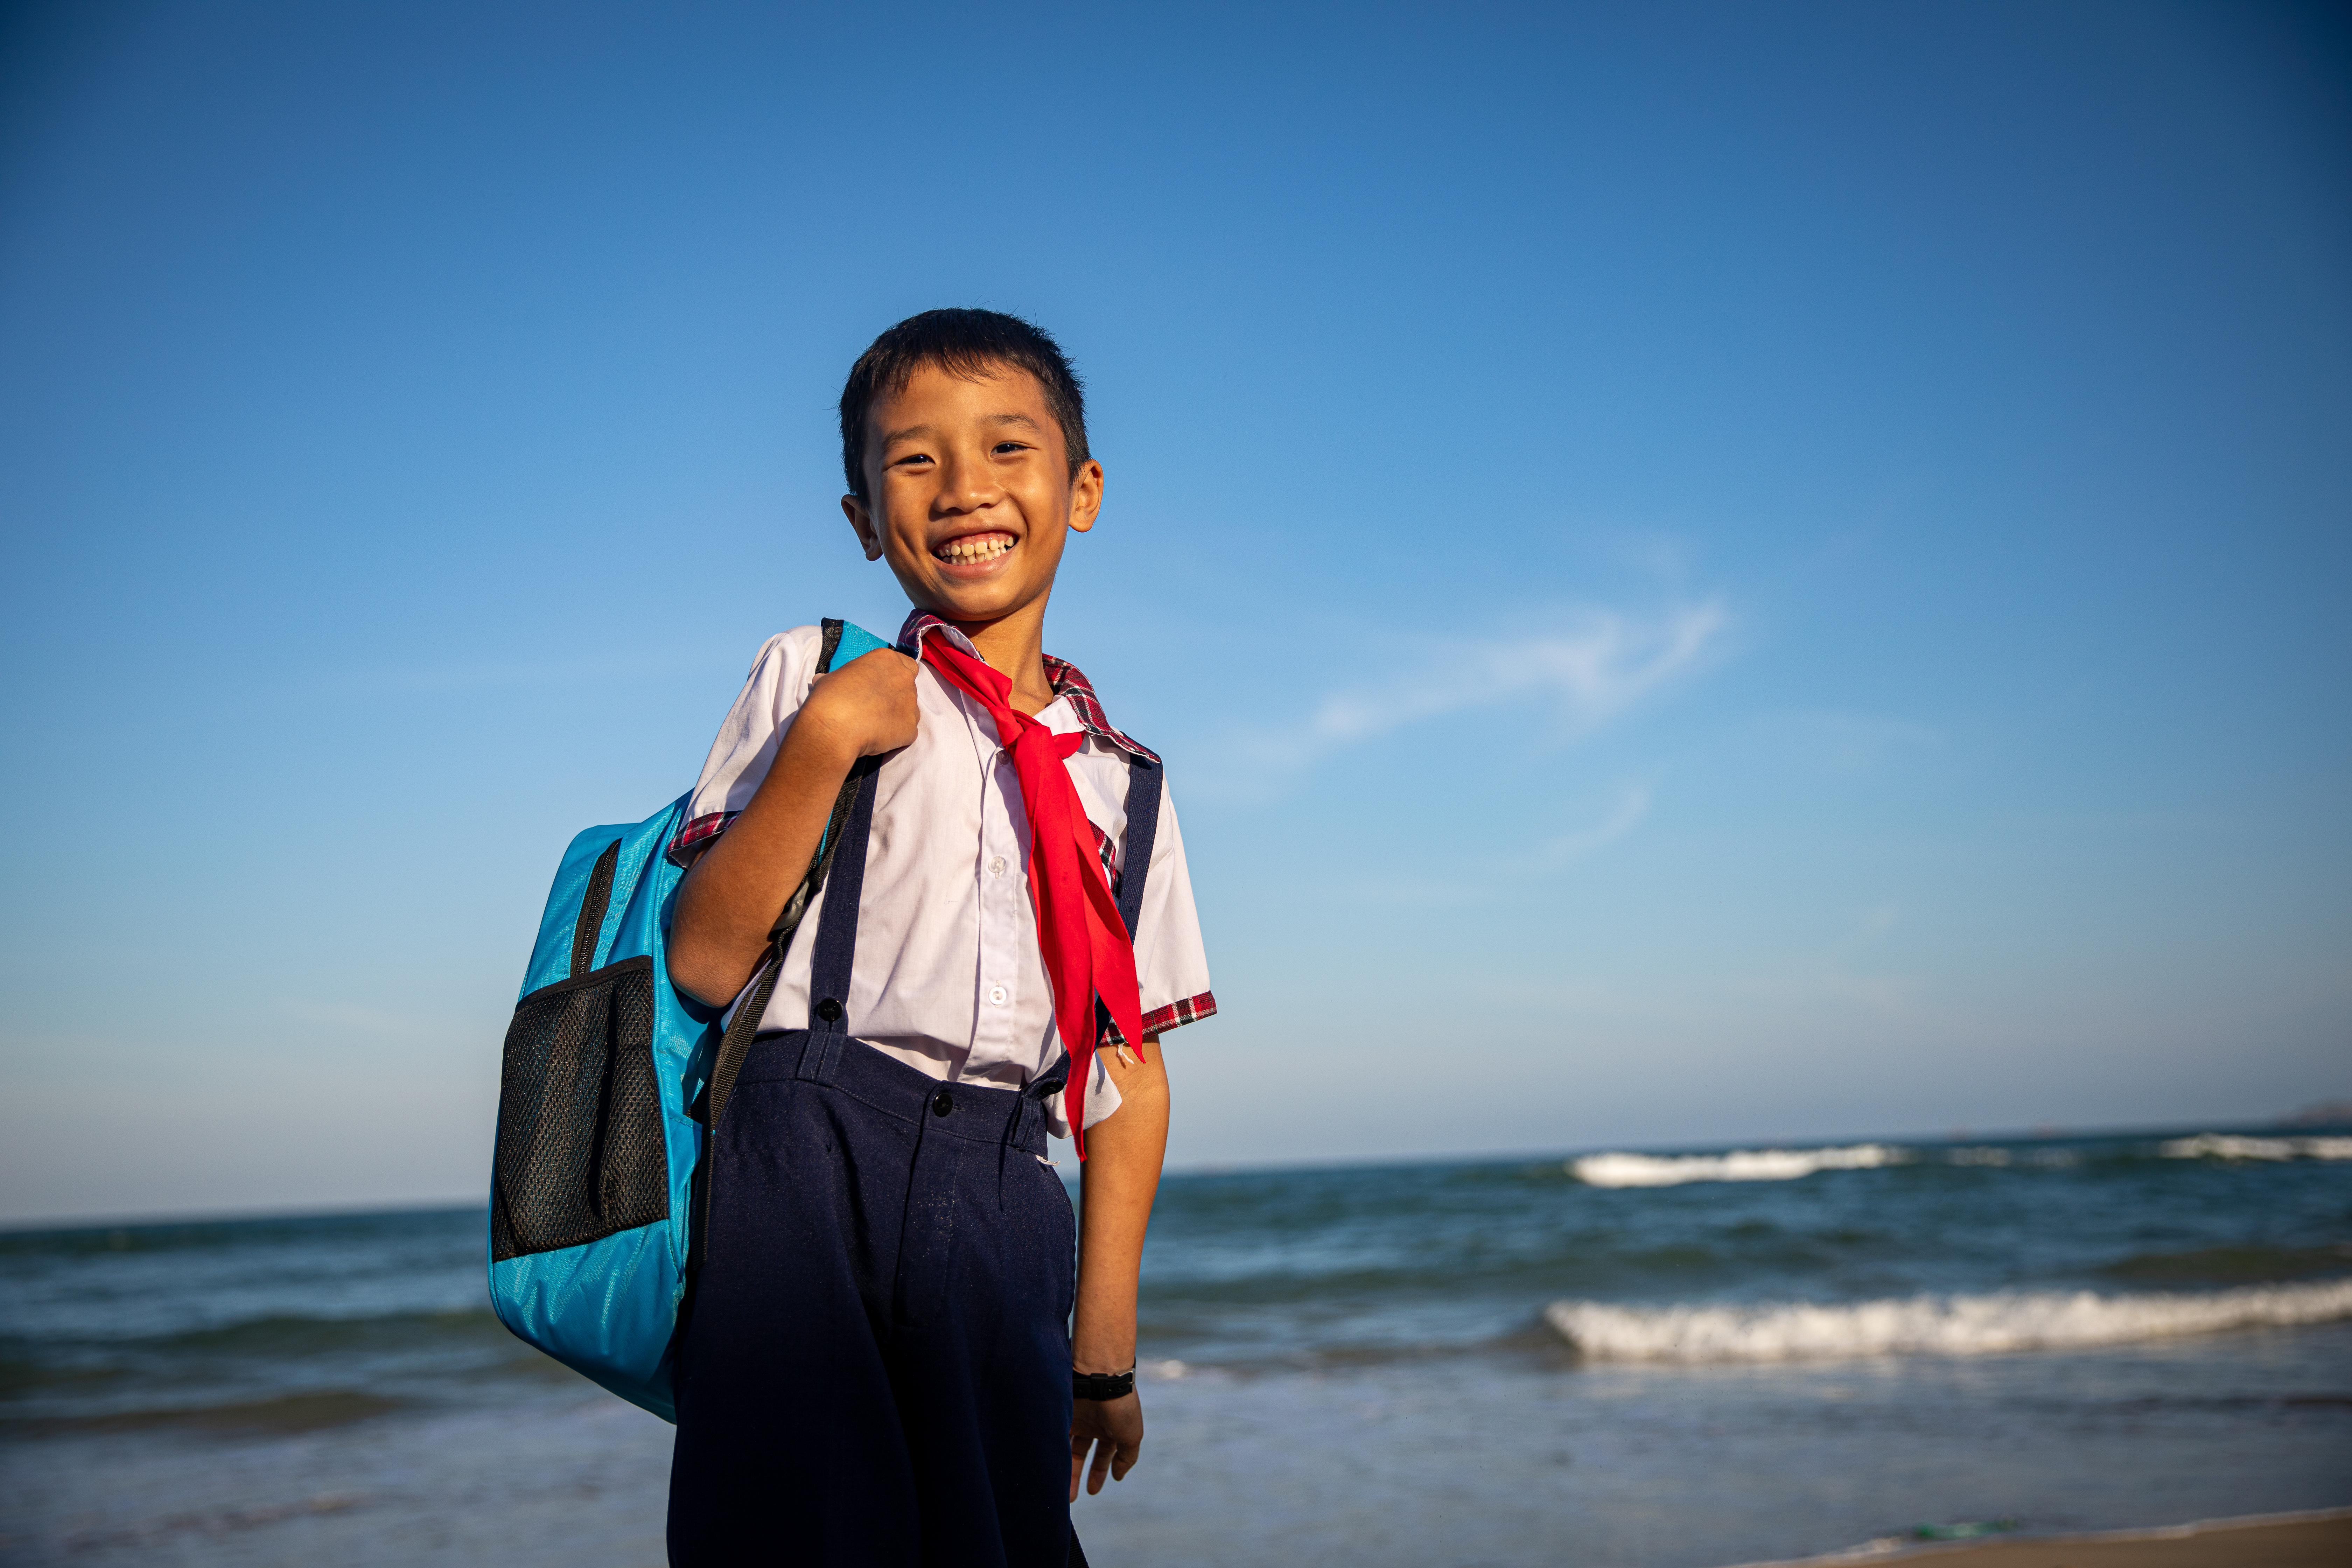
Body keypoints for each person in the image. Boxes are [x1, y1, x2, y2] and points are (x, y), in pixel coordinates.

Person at [661, 308, 1215, 1567]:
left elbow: (1124, 1079)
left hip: (1006, 1198)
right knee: (799, 1539)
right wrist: (822, 746)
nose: (965, 488)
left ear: (1079, 491)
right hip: (804, 1167)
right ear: (863, 518)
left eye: (1007, 449)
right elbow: (704, 961)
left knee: (1002, 1543)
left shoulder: (1123, 782)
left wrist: (1105, 1346)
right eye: (914, 460)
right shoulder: (817, 675)